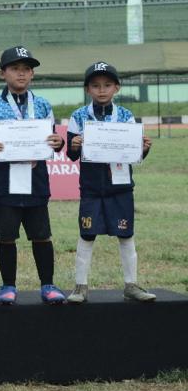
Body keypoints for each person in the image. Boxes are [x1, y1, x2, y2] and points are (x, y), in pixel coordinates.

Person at [0, 46, 67, 305]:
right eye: (15, 68)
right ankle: (8, 285)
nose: (21, 73)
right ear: (2, 73)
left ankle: (48, 284)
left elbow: (53, 140)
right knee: (6, 236)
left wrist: (58, 142)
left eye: (26, 69)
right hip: (5, 181)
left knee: (41, 235)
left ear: (32, 74)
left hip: (36, 180)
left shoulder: (43, 104)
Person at [65, 62, 155, 303]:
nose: (101, 90)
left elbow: (134, 156)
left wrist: (144, 149)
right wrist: (74, 145)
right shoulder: (78, 116)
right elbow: (71, 155)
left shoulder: (126, 116)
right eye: (95, 86)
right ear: (87, 89)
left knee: (126, 235)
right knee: (87, 234)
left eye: (107, 85)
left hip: (120, 188)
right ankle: (80, 287)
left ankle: (131, 285)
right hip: (91, 189)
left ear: (117, 87)